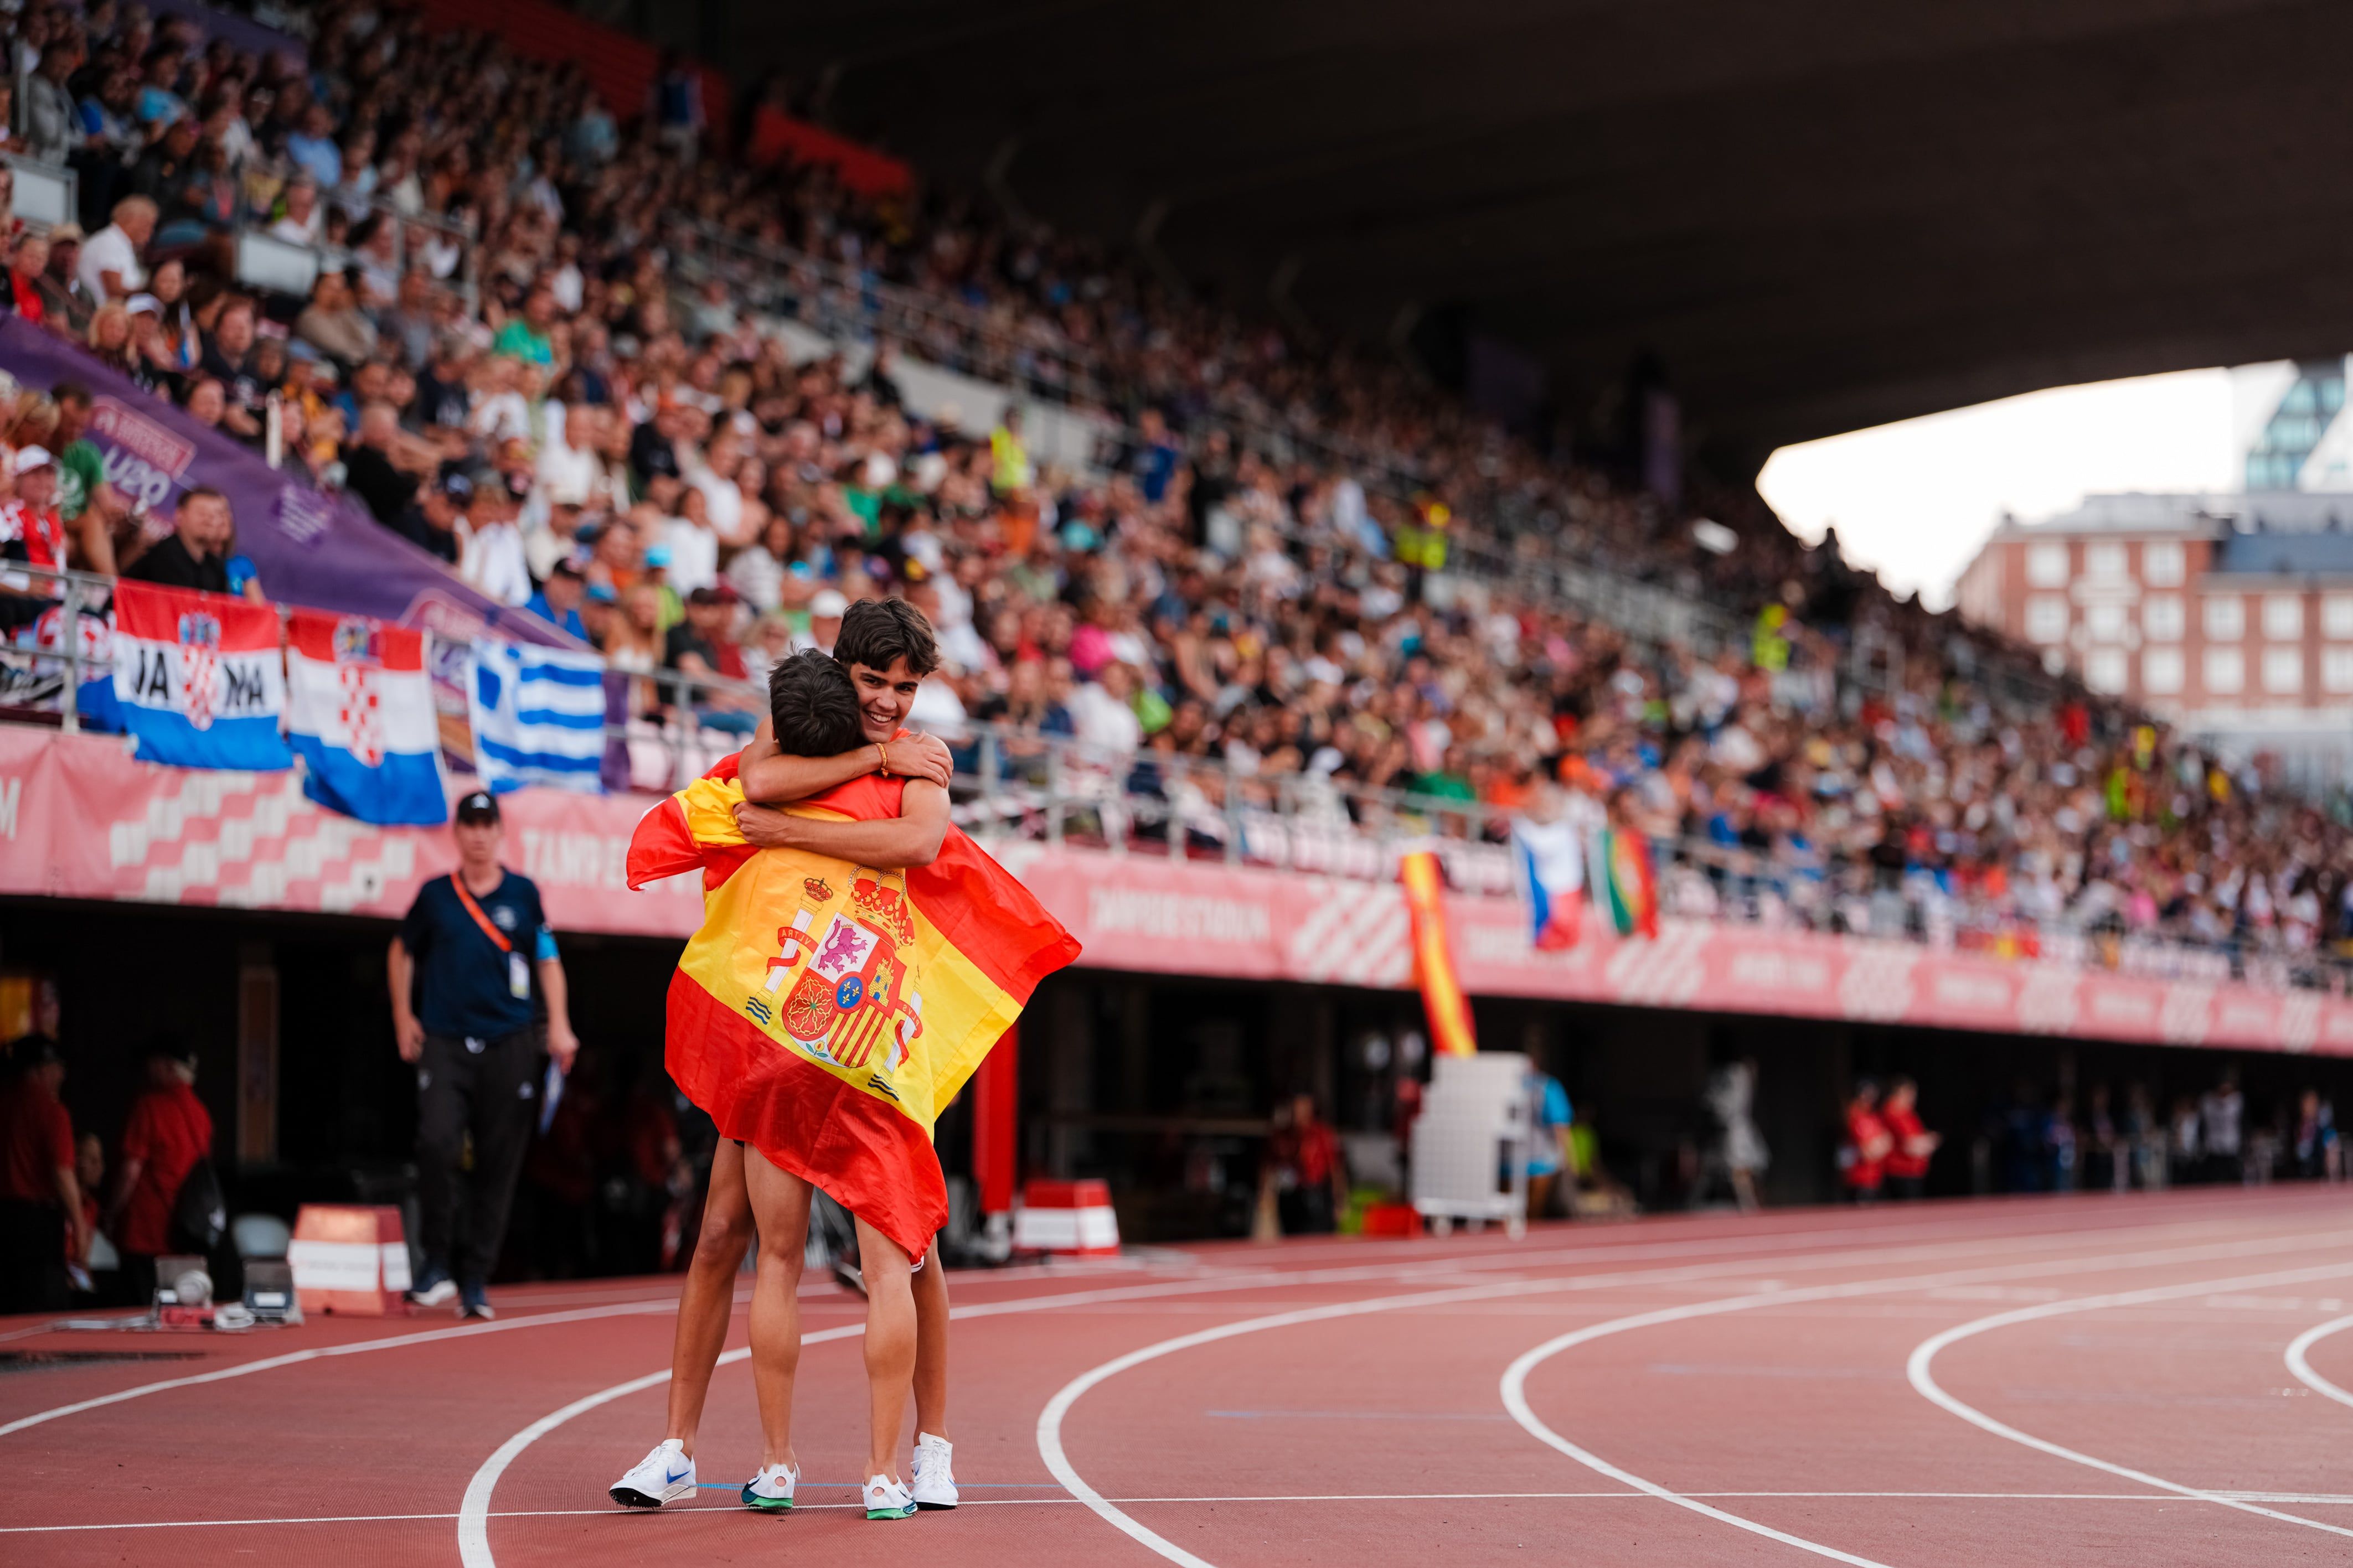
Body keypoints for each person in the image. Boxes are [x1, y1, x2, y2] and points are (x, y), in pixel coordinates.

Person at [390, 790, 579, 1318]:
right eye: (468, 825)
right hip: (446, 1041)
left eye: (486, 824)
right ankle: (435, 1263)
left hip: (510, 1042)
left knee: (499, 1161)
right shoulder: (434, 896)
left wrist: (559, 1024)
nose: (477, 834)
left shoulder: (523, 894)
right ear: (456, 834)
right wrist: (404, 1017)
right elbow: (401, 949)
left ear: (499, 832)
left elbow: (546, 960)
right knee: (436, 1142)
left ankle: (475, 1277)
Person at [106, 1042, 213, 1306]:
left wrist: (111, 1212)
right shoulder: (201, 1112)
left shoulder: (150, 1107)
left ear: (167, 1066)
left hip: (146, 1228)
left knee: (139, 1307)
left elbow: (131, 1171)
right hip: (186, 1228)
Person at [0, 1037, 86, 1313]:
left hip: (5, 1217)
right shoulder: (51, 1112)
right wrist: (80, 1227)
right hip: (37, 1224)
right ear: (41, 1069)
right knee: (40, 1305)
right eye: (57, 1068)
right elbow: (63, 1173)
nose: (61, 1076)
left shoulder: (4, 1104)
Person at [124, 487, 252, 598]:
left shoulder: (215, 567)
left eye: (216, 515)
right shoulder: (165, 556)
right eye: (202, 513)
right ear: (180, 516)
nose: (210, 521)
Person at [1262, 1092, 1348, 1235]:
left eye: (1302, 1110)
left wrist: (1339, 1200)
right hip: (1290, 1196)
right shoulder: (1282, 1137)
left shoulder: (1322, 1135)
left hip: (1316, 1194)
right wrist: (1266, 1193)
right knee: (1291, 1238)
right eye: (1295, 1110)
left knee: (1319, 1237)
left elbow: (1335, 1169)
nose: (1298, 1115)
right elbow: (1269, 1166)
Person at [1523, 1064, 1577, 1222]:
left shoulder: (1504, 1084)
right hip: (1538, 1163)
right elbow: (1560, 1127)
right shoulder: (1547, 1086)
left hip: (1504, 1163)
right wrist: (1570, 1158)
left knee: (1504, 1218)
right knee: (1533, 1217)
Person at [78, 196, 154, 304]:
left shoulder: (121, 244)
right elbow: (114, 291)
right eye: (148, 225)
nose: (150, 232)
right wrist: (151, 290)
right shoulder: (109, 243)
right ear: (132, 220)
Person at [1880, 1077, 1939, 1200]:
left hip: (1914, 1170)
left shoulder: (1909, 1114)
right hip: (1900, 1171)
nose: (1912, 1098)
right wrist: (1926, 1142)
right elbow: (1911, 1145)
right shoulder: (1893, 1112)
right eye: (1909, 1093)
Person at [1840, 1079, 1892, 1204]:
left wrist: (1878, 1146)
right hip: (1858, 1177)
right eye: (1866, 1093)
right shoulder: (1853, 1115)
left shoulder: (1874, 1117)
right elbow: (1867, 1152)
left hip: (1875, 1176)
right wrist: (1876, 1146)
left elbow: (1888, 1142)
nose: (1870, 1098)